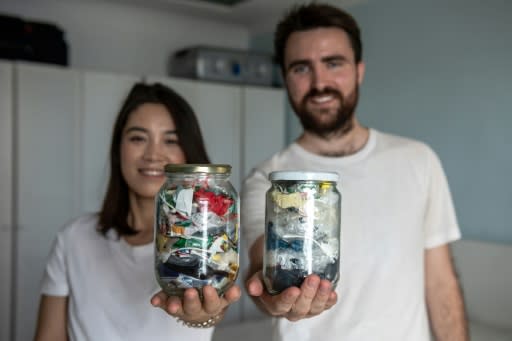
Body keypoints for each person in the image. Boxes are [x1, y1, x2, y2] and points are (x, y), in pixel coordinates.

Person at [242, 3, 468, 341]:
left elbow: (440, 283)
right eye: (301, 68)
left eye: (333, 63)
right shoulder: (269, 179)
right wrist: (273, 298)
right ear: (286, 78)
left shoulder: (418, 160)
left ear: (359, 70)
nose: (320, 83)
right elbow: (264, 271)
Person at [34, 82, 241, 340]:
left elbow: (213, 308)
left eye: (171, 140)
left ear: (189, 154)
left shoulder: (209, 242)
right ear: (118, 149)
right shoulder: (73, 238)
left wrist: (205, 316)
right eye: (138, 138)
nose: (153, 154)